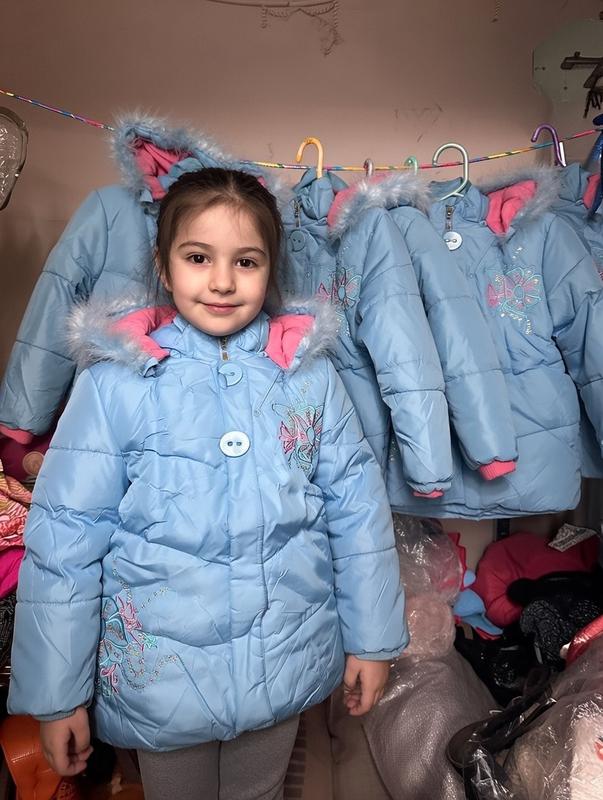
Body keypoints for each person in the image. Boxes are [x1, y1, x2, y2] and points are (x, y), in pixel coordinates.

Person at [8, 168, 407, 800]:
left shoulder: (309, 376)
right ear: (164, 268)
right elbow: (64, 542)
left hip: (281, 662)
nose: (222, 281)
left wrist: (374, 639)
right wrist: (57, 696)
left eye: (246, 261)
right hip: (161, 681)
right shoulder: (115, 384)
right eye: (198, 257)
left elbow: (358, 514)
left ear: (270, 269)